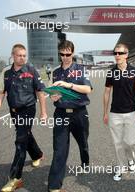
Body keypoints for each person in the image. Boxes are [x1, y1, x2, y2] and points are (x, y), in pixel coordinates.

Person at [0, 43, 47, 192]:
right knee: (25, 135)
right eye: (19, 55)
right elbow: (0, 93)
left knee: (20, 141)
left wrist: (43, 112)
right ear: (13, 56)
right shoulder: (6, 73)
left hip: (28, 110)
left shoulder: (32, 70)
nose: (22, 58)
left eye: (24, 55)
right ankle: (37, 154)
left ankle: (15, 178)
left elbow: (40, 92)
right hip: (14, 111)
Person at [48, 40, 92, 192]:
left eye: (68, 54)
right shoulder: (55, 72)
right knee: (59, 149)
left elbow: (88, 89)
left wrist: (69, 85)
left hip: (79, 114)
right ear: (59, 54)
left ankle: (85, 162)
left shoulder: (81, 69)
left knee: (83, 144)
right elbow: (54, 92)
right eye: (62, 54)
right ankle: (54, 187)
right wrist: (53, 96)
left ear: (73, 53)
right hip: (60, 114)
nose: (65, 57)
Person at [103, 43, 135, 181]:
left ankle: (131, 159)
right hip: (115, 113)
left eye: (120, 53)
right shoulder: (111, 72)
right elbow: (107, 92)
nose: (117, 56)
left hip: (131, 112)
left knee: (130, 142)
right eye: (115, 53)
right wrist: (105, 112)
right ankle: (120, 167)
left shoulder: (134, 71)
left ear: (126, 55)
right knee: (117, 144)